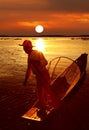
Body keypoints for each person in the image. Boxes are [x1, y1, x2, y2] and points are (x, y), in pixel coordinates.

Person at [19, 40, 54, 116]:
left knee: (46, 91)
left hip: (43, 74)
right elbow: (29, 68)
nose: (24, 50)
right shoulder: (29, 55)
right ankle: (44, 106)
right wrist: (26, 79)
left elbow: (45, 62)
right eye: (24, 48)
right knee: (40, 92)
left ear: (29, 47)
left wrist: (38, 63)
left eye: (25, 48)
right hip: (39, 76)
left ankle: (52, 105)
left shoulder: (36, 53)